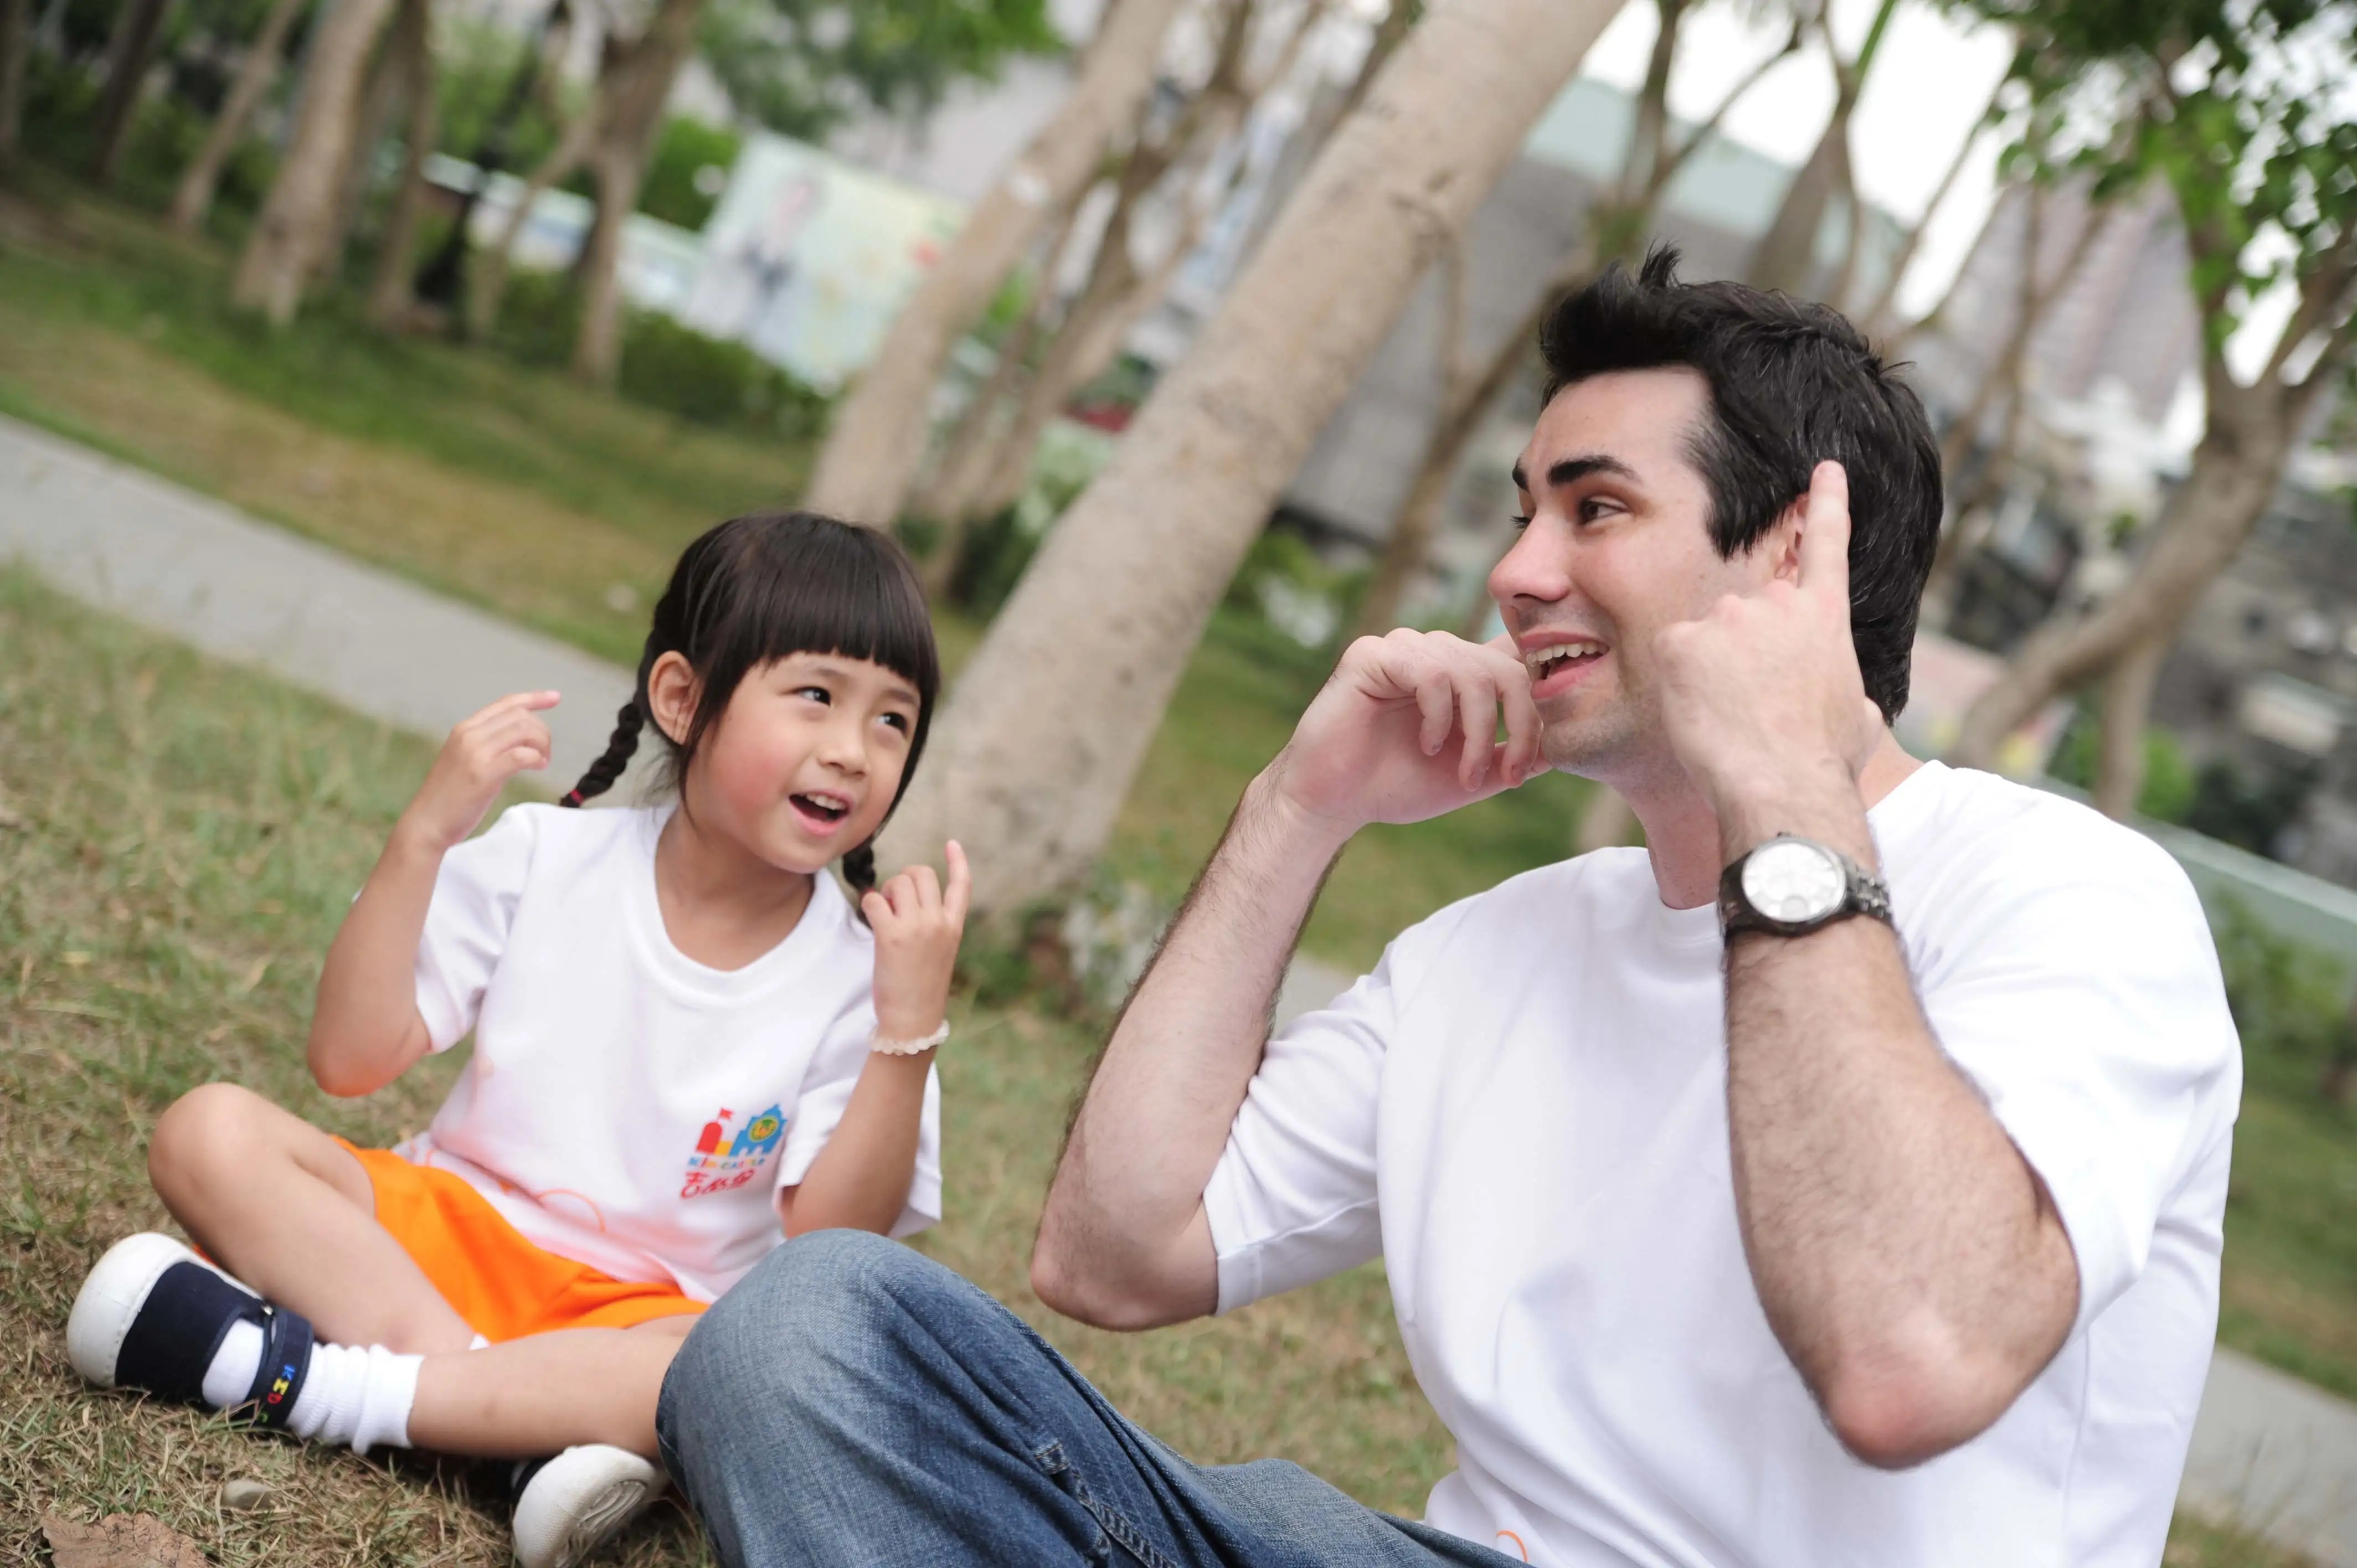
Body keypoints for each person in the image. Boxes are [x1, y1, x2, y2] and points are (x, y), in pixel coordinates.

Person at [654, 251, 2241, 1567]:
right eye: (1523, 509)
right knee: (806, 1331)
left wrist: (1782, 783)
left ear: (1793, 558)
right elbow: (1114, 1252)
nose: (1516, 570)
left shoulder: (2074, 901)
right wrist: (1298, 812)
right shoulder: (1503, 949)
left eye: (1595, 511)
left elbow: (1914, 1361)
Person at [66, 513, 970, 1568]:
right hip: (435, 1241)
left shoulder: (864, 979)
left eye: (893, 722)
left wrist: (907, 1029)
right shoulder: (552, 854)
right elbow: (351, 1061)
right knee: (208, 1130)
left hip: (637, 1324)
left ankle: (320, 1385)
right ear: (684, 700)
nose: (853, 752)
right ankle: (511, 1439)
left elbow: (827, 1256)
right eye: (818, 696)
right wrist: (422, 838)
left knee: (730, 1362)